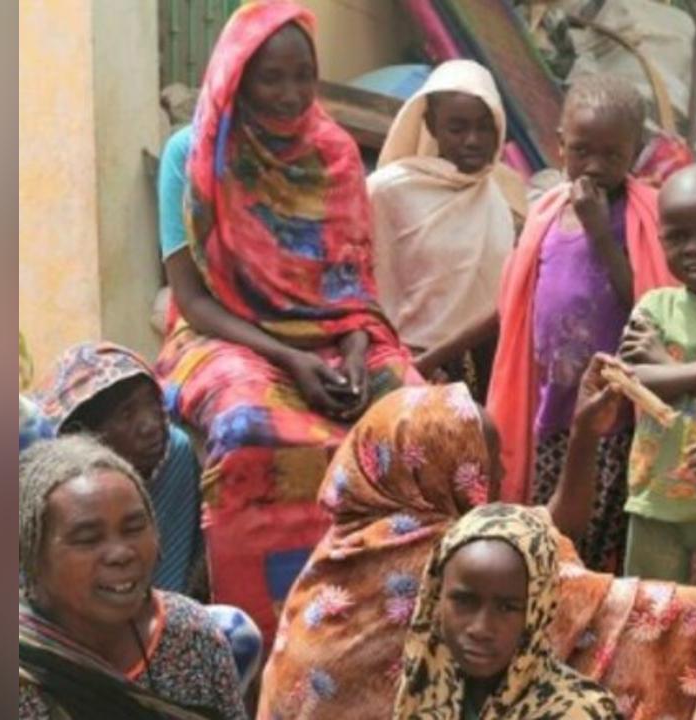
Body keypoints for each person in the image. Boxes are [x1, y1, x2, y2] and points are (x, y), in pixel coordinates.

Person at [258, 357, 696, 720]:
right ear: (438, 467)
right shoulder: (432, 554)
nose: (502, 472)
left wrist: (584, 434)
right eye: (484, 464)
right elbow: (611, 601)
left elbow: (538, 534)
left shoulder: (358, 537)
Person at [154, 0, 419, 645]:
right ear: (236, 77)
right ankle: (265, 637)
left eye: (303, 76)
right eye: (272, 78)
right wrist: (292, 360)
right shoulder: (191, 157)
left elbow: (351, 287)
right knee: (251, 428)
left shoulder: (334, 155)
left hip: (337, 334)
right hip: (224, 334)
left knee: (421, 419)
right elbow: (191, 298)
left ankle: (404, 622)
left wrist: (354, 355)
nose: (290, 93)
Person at [479, 74, 678, 573]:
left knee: (597, 530)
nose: (595, 165)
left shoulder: (645, 217)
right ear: (560, 145)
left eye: (612, 155)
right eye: (583, 150)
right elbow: (517, 304)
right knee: (547, 523)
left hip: (613, 413)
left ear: (634, 154)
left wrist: (599, 232)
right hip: (550, 404)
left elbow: (651, 307)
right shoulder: (545, 212)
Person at [31, 342, 262, 691]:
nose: (151, 425)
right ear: (82, 433)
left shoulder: (174, 457)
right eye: (127, 415)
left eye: (154, 406)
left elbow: (162, 590)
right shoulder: (42, 492)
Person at [618, 163, 696, 718]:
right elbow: (634, 379)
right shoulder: (655, 307)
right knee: (651, 627)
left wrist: (672, 367)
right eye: (678, 235)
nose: (694, 247)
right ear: (659, 235)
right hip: (657, 500)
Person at [18, 435, 245, 719]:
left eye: (134, 528)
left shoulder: (191, 634)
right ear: (33, 556)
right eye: (88, 539)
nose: (121, 553)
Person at [366, 59, 526, 401]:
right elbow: (369, 287)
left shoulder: (502, 196)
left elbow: (500, 307)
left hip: (481, 371)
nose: (473, 140)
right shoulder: (387, 192)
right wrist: (405, 364)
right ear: (431, 125)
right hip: (404, 364)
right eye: (458, 128)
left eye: (485, 127)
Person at [392, 504, 621, 720]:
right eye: (464, 601)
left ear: (538, 611)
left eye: (507, 607)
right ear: (436, 597)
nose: (481, 629)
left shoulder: (580, 712)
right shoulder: (426, 685)